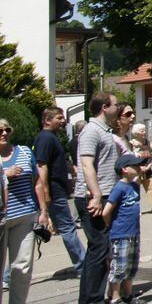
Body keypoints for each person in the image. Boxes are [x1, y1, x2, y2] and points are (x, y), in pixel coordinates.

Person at [75, 92, 121, 304]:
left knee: (99, 250)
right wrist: (95, 196)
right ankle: (92, 299)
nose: (118, 108)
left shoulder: (104, 131)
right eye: (115, 104)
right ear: (104, 106)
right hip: (94, 197)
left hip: (103, 195)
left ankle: (88, 299)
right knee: (100, 249)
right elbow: (86, 164)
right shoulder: (91, 131)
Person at [34, 107, 85, 276]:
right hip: (54, 191)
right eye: (59, 118)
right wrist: (46, 192)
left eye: (62, 117)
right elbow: (41, 165)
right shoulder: (45, 138)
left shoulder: (50, 137)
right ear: (47, 120)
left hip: (56, 191)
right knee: (67, 227)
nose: (62, 120)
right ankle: (82, 265)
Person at [0, 117, 46, 304]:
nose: (4, 133)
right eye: (0, 130)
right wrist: (4, 174)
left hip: (25, 215)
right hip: (1, 218)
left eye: (7, 129)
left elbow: (37, 182)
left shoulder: (25, 152)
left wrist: (43, 211)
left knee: (22, 267)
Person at [102, 154, 146, 304]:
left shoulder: (134, 186)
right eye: (135, 166)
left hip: (134, 233)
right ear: (124, 169)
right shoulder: (119, 188)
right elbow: (106, 211)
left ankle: (128, 295)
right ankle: (114, 297)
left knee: (131, 267)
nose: (139, 168)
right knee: (119, 267)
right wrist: (109, 224)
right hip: (120, 234)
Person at [130, 124, 152, 213]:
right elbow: (130, 156)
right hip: (136, 169)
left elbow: (151, 154)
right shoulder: (131, 143)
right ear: (136, 133)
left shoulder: (147, 142)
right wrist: (138, 167)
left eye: (144, 130)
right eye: (142, 131)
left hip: (147, 168)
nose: (144, 132)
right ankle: (137, 209)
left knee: (151, 186)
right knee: (135, 189)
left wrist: (148, 166)